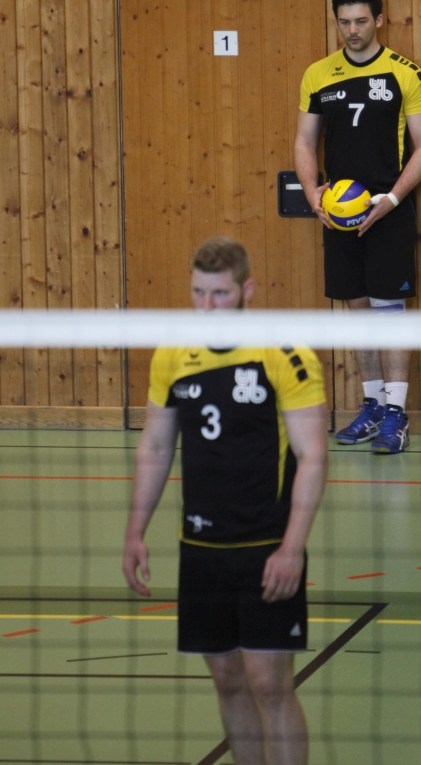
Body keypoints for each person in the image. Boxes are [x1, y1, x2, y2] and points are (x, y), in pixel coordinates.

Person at [122, 236, 328, 765]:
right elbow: (156, 446)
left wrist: (292, 548)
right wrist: (135, 532)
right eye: (198, 293)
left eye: (218, 293)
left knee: (270, 684)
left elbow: (312, 456)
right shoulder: (174, 354)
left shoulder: (285, 354)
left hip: (267, 544)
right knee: (229, 681)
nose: (207, 305)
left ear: (246, 290)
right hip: (201, 548)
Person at [294, 0, 421, 455]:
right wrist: (313, 194)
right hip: (340, 215)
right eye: (344, 22)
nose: (352, 30)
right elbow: (303, 141)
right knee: (357, 309)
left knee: (388, 311)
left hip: (388, 210)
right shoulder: (318, 74)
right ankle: (372, 405)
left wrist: (391, 200)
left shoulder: (405, 74)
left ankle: (397, 413)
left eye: (360, 21)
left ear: (378, 19)